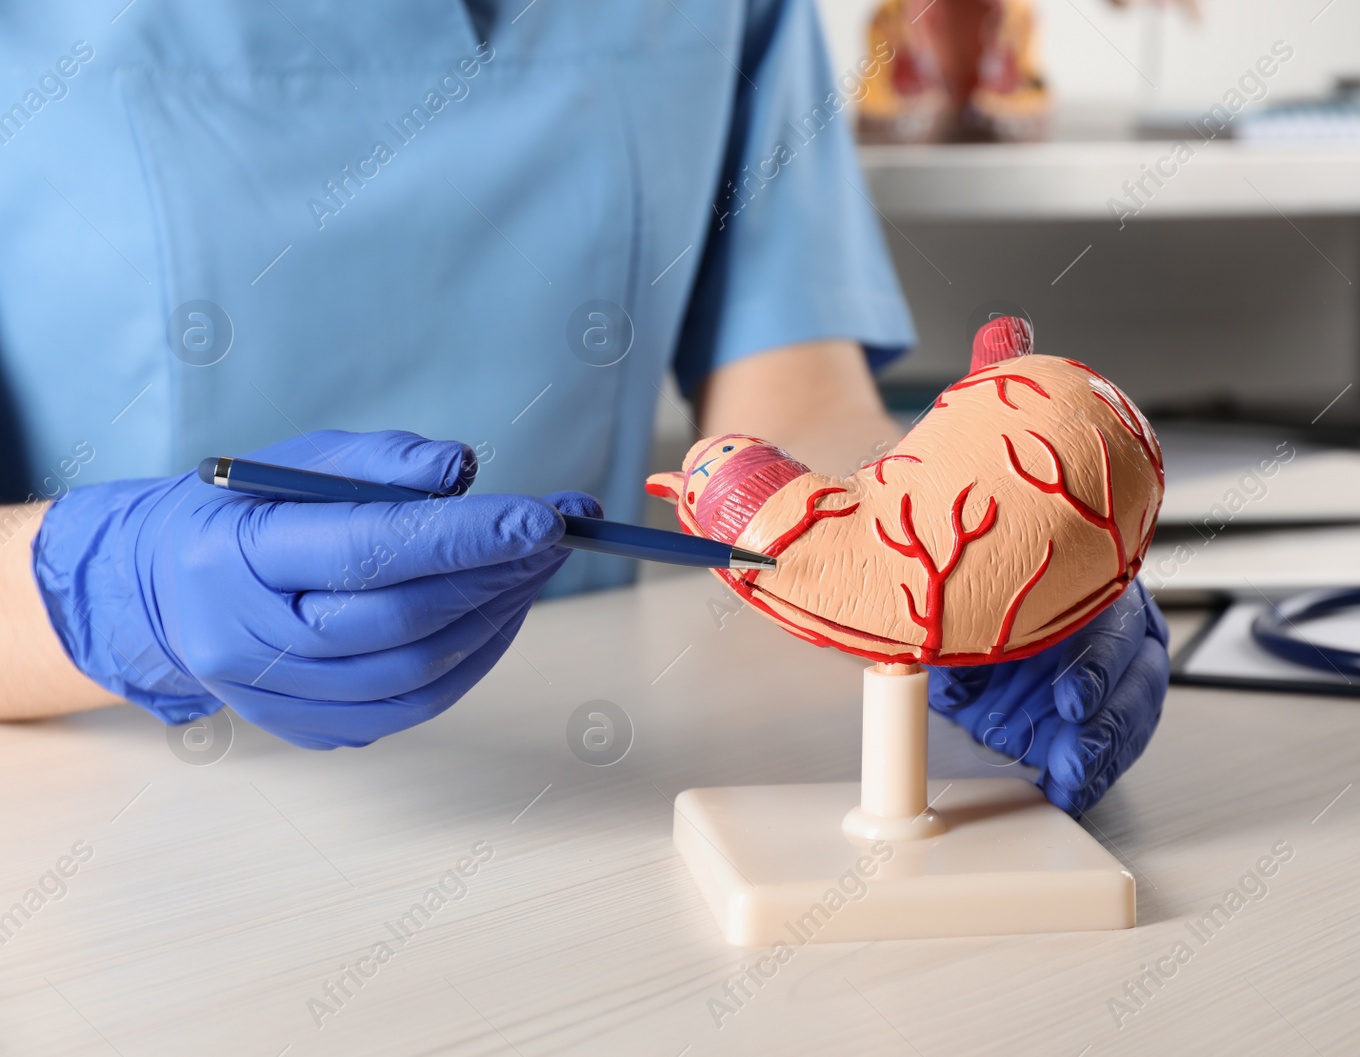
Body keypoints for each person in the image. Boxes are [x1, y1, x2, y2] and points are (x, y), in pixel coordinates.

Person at [0, 0, 1165, 815]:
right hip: (97, 809)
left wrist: (961, 546)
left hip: (595, 783)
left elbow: (800, 402)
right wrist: (105, 585)